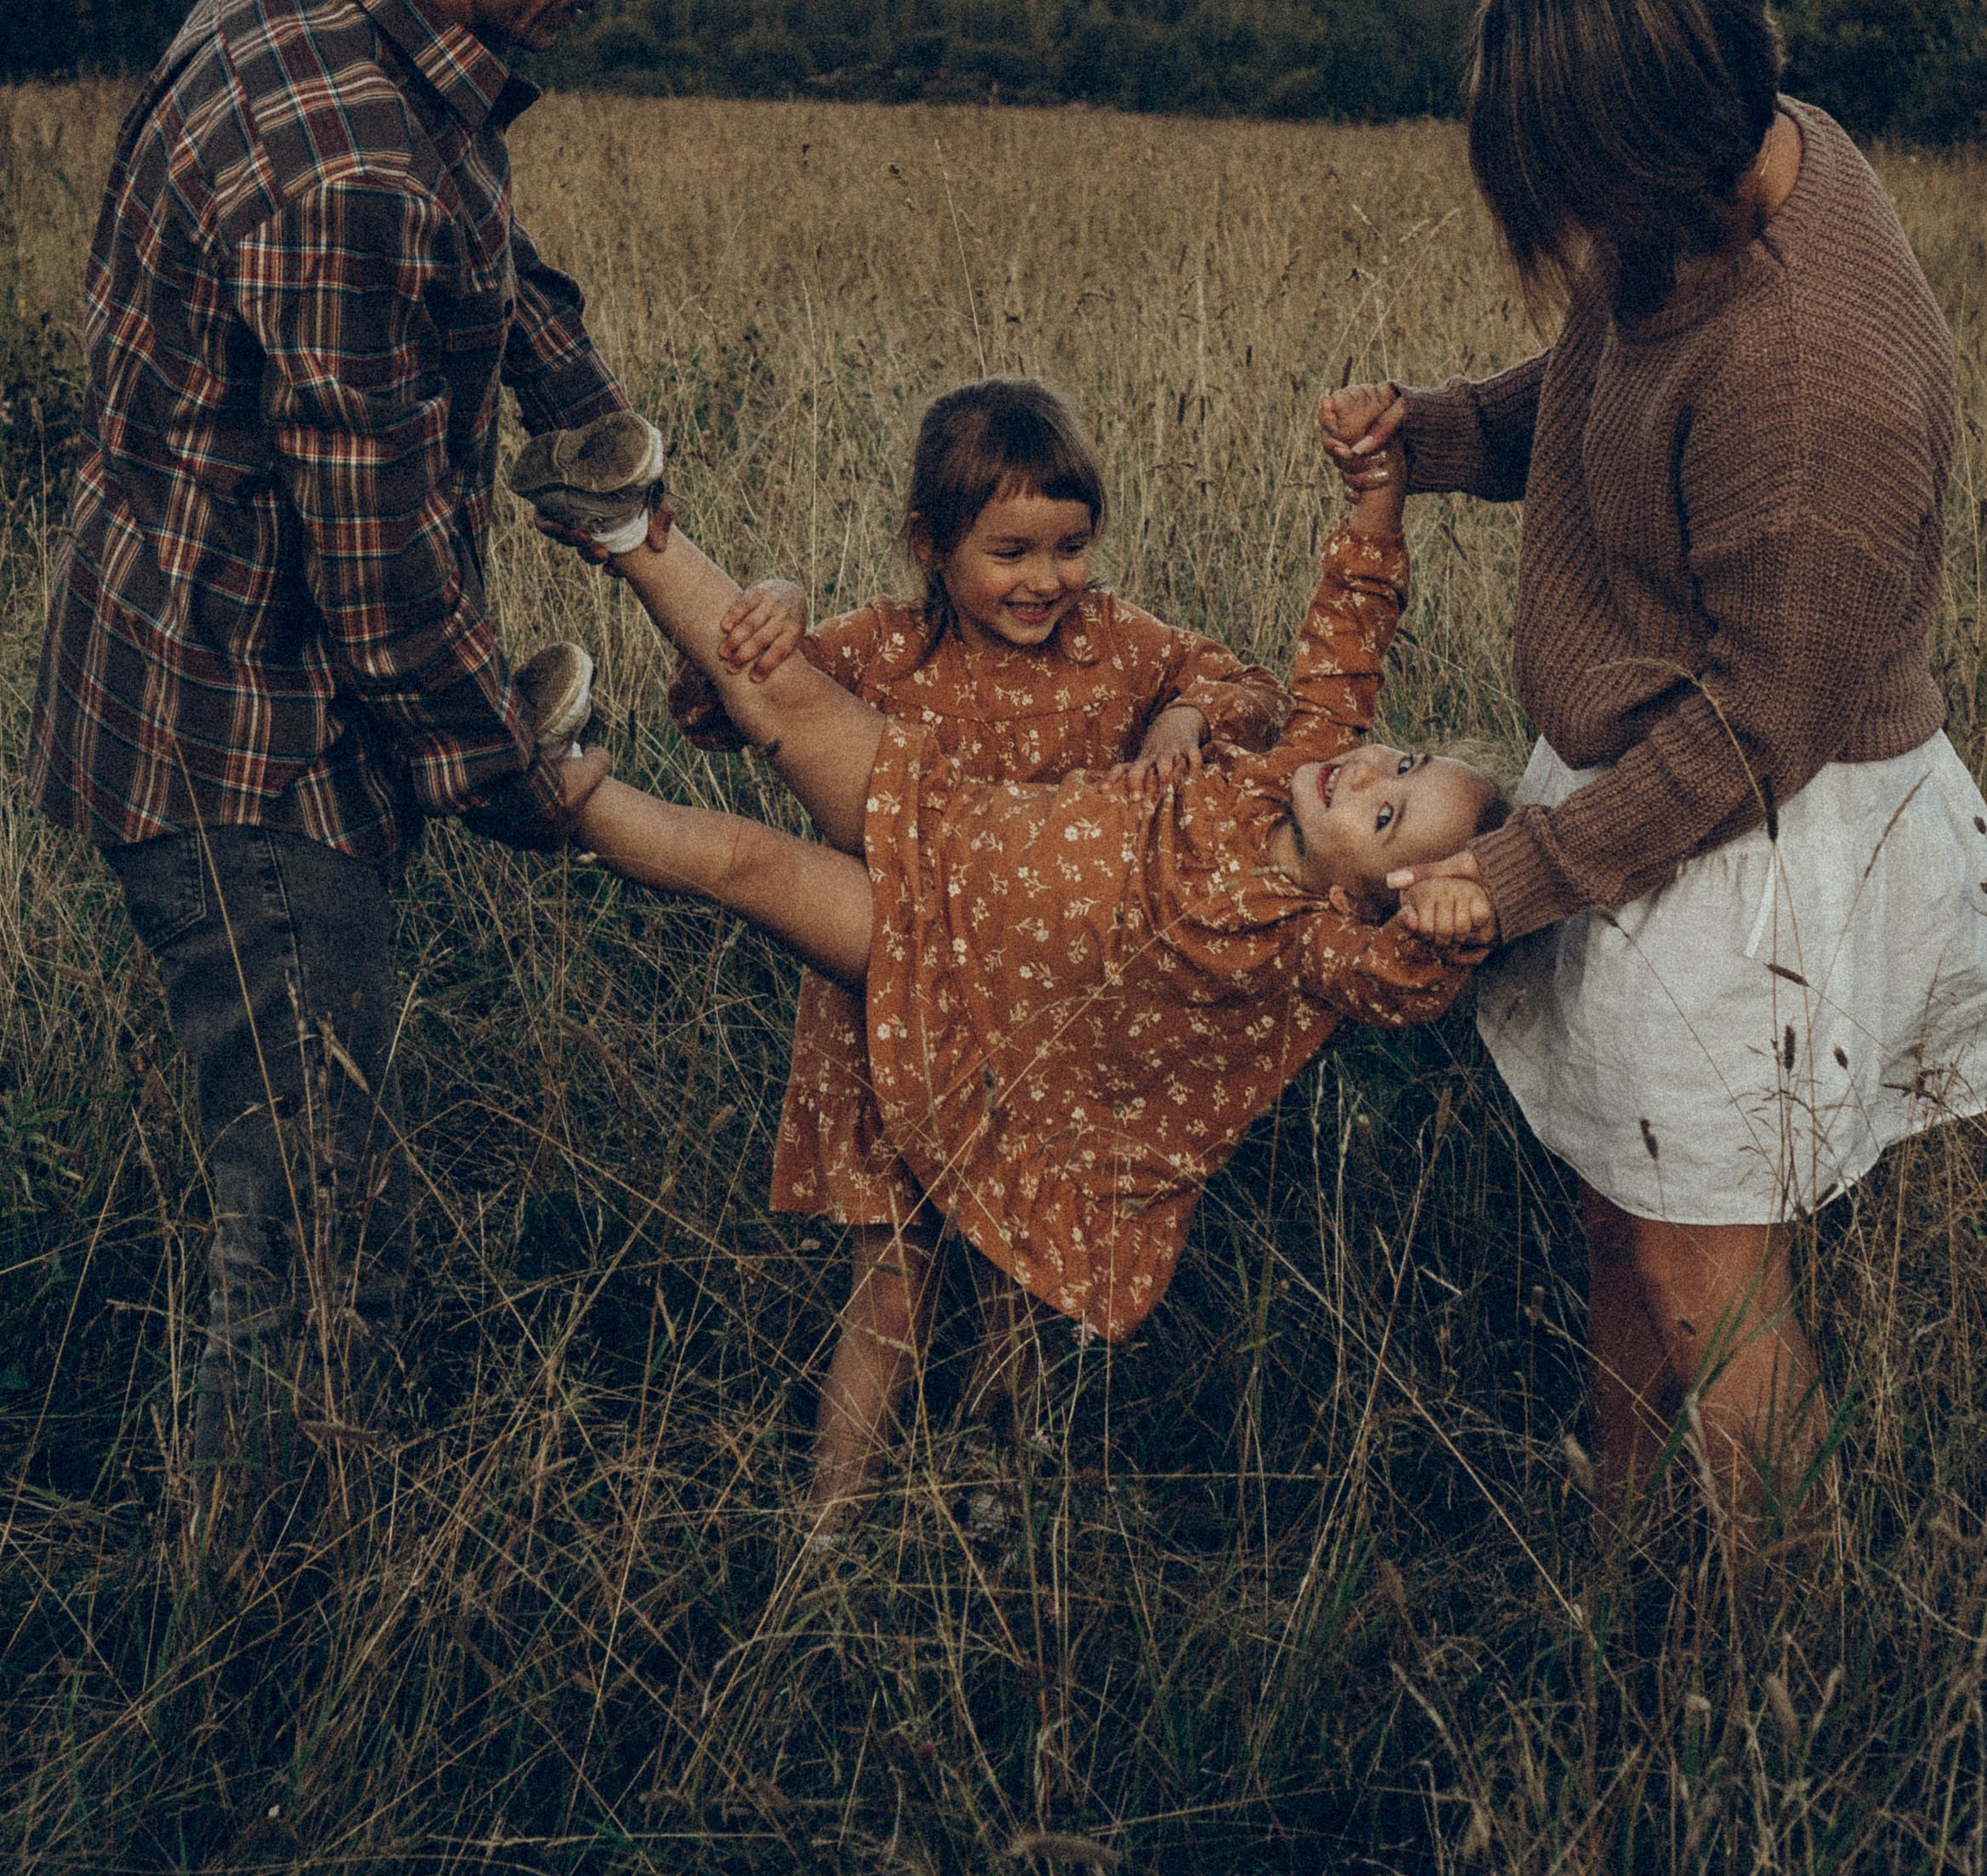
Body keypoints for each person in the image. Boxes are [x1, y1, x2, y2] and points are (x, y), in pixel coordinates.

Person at [27, 0, 691, 1487]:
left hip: (189, 668)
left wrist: (580, 412)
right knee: (310, 1233)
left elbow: (479, 239)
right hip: (240, 745)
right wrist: (533, 786)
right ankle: (256, 1591)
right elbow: (385, 599)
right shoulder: (342, 170)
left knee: (308, 1180)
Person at [1319, 0, 1987, 1537]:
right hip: (1652, 789)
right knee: (1621, 1215)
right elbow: (1608, 379)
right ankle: (1627, 1554)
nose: (1565, 232)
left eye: (1572, 190)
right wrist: (1436, 431)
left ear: (1648, 155)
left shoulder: (1812, 375)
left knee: (1708, 1276)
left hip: (1745, 837)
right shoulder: (1731, 163)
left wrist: (1521, 871)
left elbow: (1756, 732)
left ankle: (1787, 1648)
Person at [514, 430, 1502, 1523]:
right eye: (1404, 761)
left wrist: (1447, 928)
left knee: (755, 875)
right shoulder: (1286, 768)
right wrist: (1377, 498)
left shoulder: (1311, 941)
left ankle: (987, 1495)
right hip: (947, 826)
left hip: (979, 1010)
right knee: (782, 723)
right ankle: (626, 536)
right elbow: (1346, 634)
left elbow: (1399, 988)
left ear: (1376, 898)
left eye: (1386, 815)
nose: (1367, 772)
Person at [666, 378, 1285, 1487]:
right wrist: (774, 602)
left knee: (1020, 1273)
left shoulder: (1113, 646)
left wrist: (1185, 719)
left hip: (1042, 1024)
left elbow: (1244, 683)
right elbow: (723, 706)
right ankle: (827, 1528)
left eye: (1070, 548)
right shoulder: (883, 652)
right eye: (1010, 553)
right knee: (892, 1281)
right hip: (886, 1002)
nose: (1046, 580)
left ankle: (1006, 1497)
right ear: (929, 544)